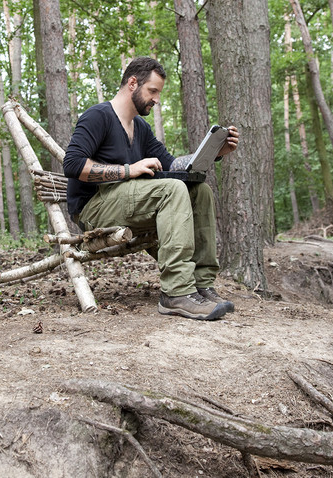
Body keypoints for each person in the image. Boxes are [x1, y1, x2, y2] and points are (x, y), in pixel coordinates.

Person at [63, 57, 239, 321]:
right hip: (94, 208)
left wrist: (215, 151)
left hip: (126, 201)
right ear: (133, 83)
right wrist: (128, 169)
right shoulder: (98, 116)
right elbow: (73, 164)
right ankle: (176, 293)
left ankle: (200, 285)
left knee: (199, 191)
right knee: (172, 189)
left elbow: (174, 165)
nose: (156, 99)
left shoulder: (141, 128)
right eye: (152, 91)